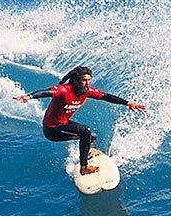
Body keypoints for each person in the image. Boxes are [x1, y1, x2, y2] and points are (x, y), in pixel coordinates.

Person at [14, 66, 146, 175]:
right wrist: (29, 96)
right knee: (86, 132)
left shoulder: (86, 91)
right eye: (84, 80)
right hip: (52, 130)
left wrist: (127, 103)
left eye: (89, 80)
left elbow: (106, 96)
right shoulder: (64, 90)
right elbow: (46, 92)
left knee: (91, 137)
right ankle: (84, 167)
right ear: (76, 80)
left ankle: (86, 154)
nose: (87, 84)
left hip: (63, 124)